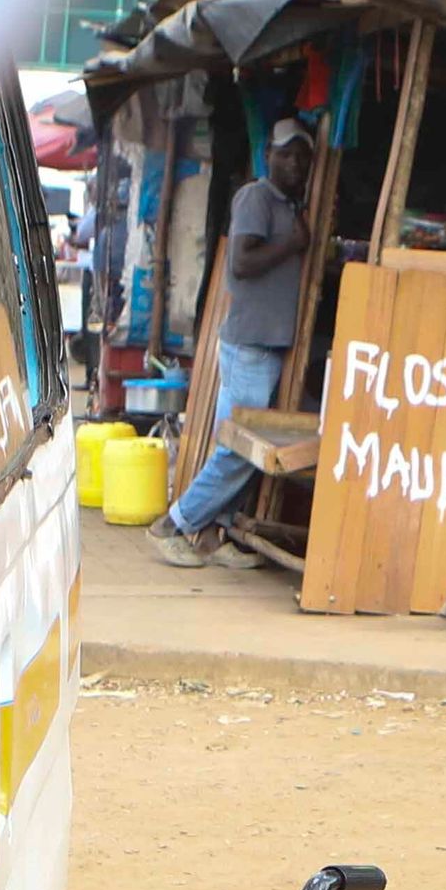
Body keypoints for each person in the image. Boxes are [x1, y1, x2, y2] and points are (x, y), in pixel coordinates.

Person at [150, 115, 315, 567]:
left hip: (266, 345)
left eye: (302, 153)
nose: (295, 162)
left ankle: (211, 535)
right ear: (268, 156)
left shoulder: (288, 205)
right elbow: (241, 262)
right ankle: (176, 523)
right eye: (286, 153)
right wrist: (294, 244)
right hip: (250, 346)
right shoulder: (256, 198)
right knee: (239, 448)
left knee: (240, 445)